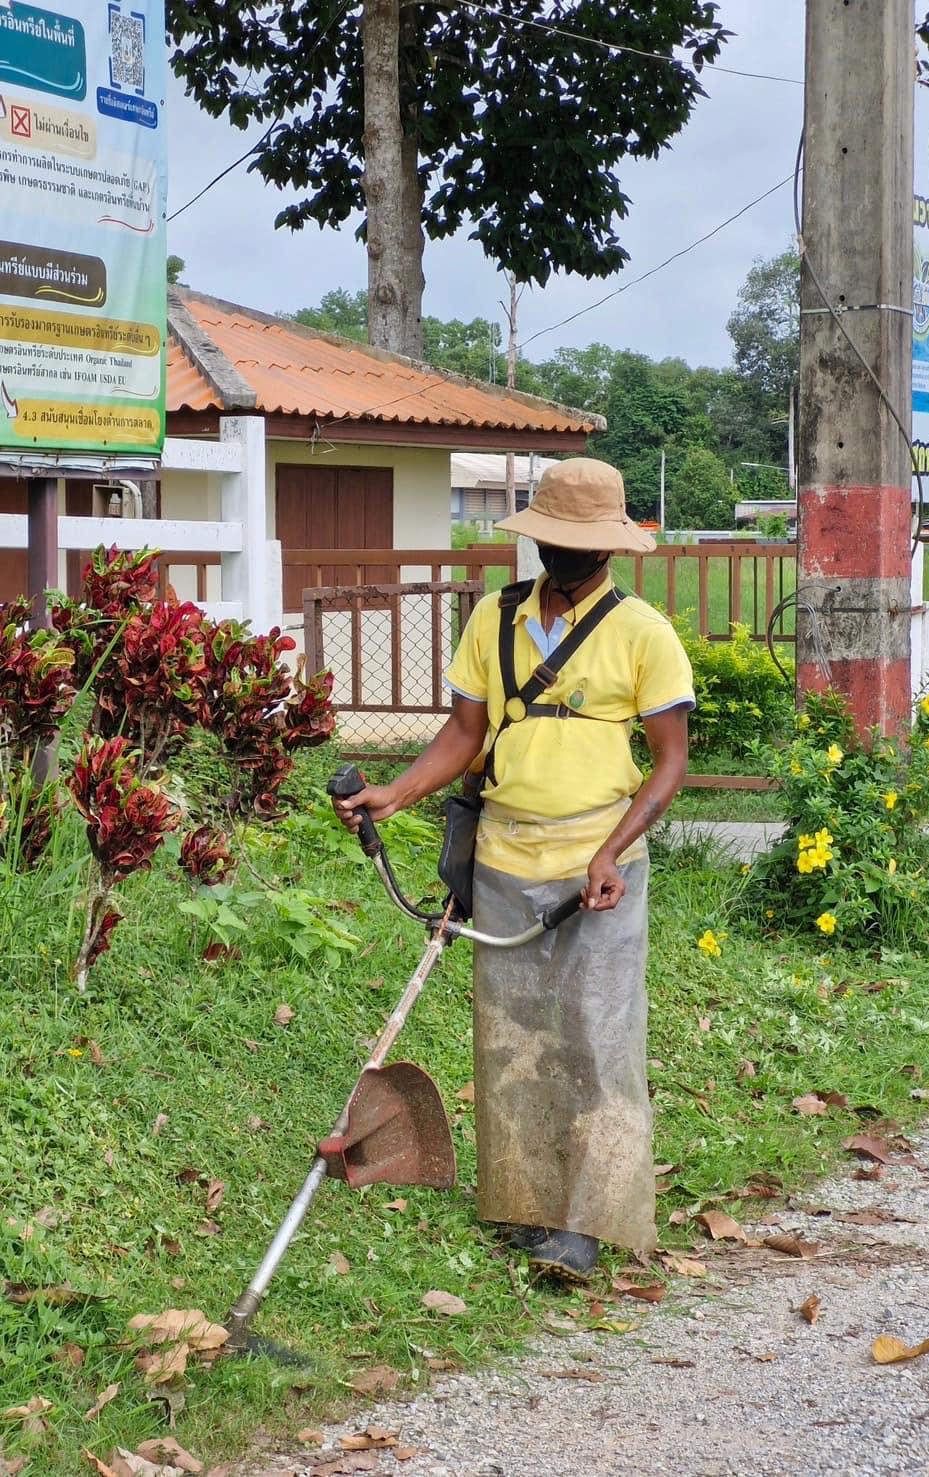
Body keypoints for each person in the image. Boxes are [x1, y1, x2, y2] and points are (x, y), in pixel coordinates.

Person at [335, 458, 694, 1282]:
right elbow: (464, 734)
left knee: (598, 1041)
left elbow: (670, 762)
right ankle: (528, 1208)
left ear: (608, 550)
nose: (564, 557)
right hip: (501, 858)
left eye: (579, 544)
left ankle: (588, 1223)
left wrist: (612, 850)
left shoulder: (643, 632)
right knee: (515, 1041)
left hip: (597, 871)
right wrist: (395, 791)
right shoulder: (495, 621)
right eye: (553, 541)